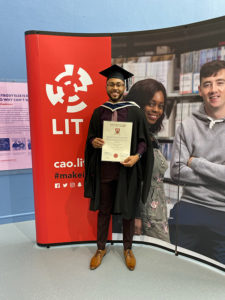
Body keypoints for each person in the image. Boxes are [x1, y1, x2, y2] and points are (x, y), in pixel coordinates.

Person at [84, 65, 153, 271]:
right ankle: (100, 248)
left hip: (127, 170)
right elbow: (91, 138)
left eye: (119, 84)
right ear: (106, 86)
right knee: (104, 211)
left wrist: (136, 156)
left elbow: (144, 142)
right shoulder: (99, 112)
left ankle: (128, 249)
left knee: (128, 212)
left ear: (125, 87)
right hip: (105, 171)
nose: (115, 88)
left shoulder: (135, 112)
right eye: (112, 84)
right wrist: (94, 142)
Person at [169, 60, 225, 265]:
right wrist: (218, 175)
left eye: (220, 82)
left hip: (223, 211)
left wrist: (196, 162)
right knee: (178, 271)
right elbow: (176, 172)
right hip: (190, 208)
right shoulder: (186, 126)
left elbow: (186, 168)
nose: (214, 89)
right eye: (208, 84)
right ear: (200, 89)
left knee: (218, 281)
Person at [126, 79, 170, 243]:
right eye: (151, 104)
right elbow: (128, 179)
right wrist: (135, 216)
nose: (156, 110)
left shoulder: (150, 136)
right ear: (138, 103)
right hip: (143, 216)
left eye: (160, 106)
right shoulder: (130, 135)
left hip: (157, 214)